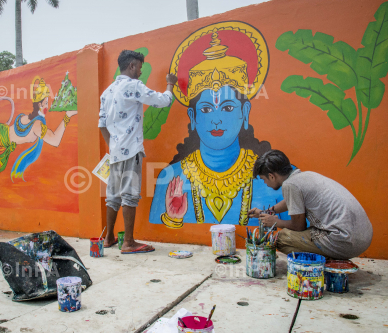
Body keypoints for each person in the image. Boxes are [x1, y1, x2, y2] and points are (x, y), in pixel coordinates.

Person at [149, 28, 287, 227]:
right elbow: (158, 236)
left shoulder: (274, 178)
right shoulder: (171, 177)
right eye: (205, 109)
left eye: (228, 107)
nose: (216, 120)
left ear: (245, 112)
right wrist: (173, 218)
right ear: (193, 117)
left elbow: (297, 230)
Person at [99, 50, 177, 253]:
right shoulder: (133, 86)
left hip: (115, 152)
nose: (141, 72)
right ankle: (129, 242)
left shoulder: (107, 92)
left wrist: (112, 146)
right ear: (132, 65)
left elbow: (101, 125)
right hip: (131, 149)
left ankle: (108, 238)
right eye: (140, 68)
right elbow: (162, 101)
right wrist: (170, 84)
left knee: (112, 196)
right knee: (129, 196)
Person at [248, 150, 373, 260]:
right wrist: (268, 212)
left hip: (344, 241)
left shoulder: (290, 185)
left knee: (281, 239)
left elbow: (298, 226)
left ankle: (328, 263)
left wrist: (275, 222)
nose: (265, 183)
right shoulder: (305, 176)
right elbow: (292, 201)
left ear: (272, 176)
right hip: (362, 238)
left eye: (264, 179)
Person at [0, 76, 76, 181]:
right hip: (0, 134)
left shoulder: (28, 118)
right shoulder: (36, 125)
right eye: (46, 103)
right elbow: (55, 141)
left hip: (5, 144)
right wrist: (67, 116)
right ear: (39, 105)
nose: (47, 106)